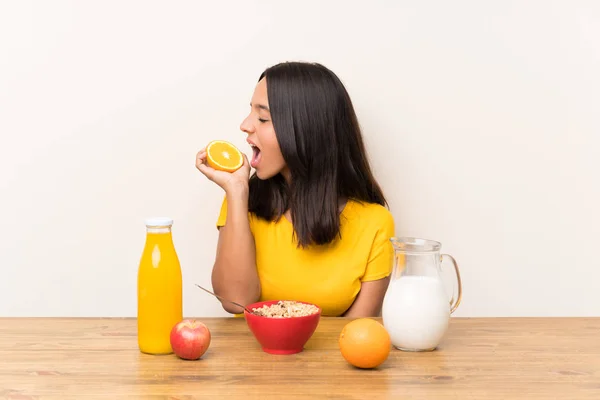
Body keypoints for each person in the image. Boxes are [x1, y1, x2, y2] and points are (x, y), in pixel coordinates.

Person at [195, 61, 395, 318]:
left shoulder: (375, 223)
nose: (245, 125)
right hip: (250, 358)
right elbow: (235, 301)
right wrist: (236, 192)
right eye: (251, 113)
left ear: (306, 131)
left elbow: (357, 337)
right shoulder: (243, 201)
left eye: (263, 117)